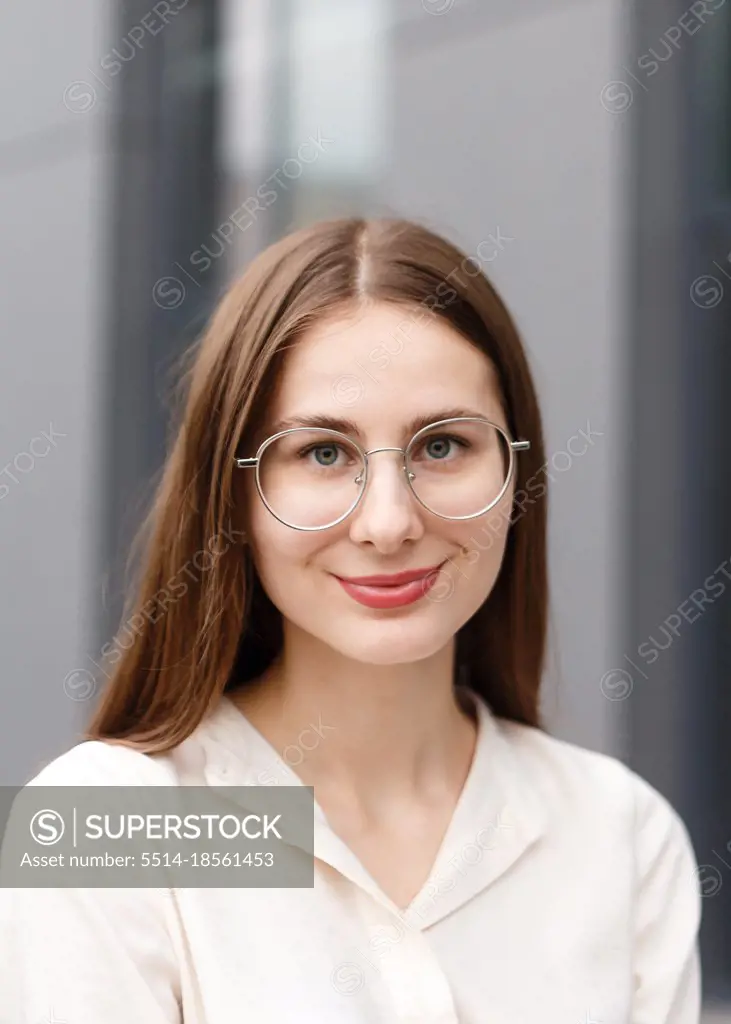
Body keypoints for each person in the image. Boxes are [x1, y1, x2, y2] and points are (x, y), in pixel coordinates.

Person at [0, 217, 701, 1022]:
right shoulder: (108, 826)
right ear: (233, 498)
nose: (388, 522)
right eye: (322, 454)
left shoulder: (618, 832)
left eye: (442, 446)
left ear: (516, 475)